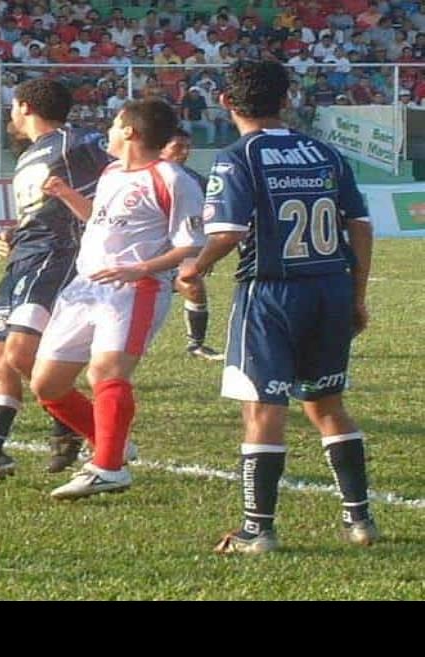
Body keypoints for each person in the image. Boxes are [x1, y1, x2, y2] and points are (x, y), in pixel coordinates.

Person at [178, 61, 378, 554]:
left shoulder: (236, 156)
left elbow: (228, 232)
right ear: (286, 100)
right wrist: (357, 294)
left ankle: (257, 529)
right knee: (327, 405)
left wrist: (195, 268)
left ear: (226, 102)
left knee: (263, 408)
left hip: (271, 293)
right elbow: (361, 225)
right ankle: (360, 521)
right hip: (330, 287)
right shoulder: (325, 152)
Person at [30, 99, 206, 500]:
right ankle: (113, 443)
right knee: (47, 384)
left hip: (134, 289)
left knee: (106, 371)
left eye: (113, 124)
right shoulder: (111, 173)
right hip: (85, 286)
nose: (107, 131)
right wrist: (65, 194)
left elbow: (192, 244)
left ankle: (108, 468)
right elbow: (99, 219)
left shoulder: (173, 179)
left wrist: (141, 269)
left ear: (130, 131)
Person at [0, 78, 111, 485]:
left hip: (57, 258)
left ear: (25, 107)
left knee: (20, 353)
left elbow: (110, 186)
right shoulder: (33, 155)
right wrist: (10, 233)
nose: (9, 115)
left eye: (12, 107)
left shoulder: (75, 143)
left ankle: (96, 435)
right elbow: (43, 210)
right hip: (25, 257)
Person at [160, 128, 223, 361]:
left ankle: (196, 345)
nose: (184, 152)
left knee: (193, 285)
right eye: (178, 147)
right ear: (161, 147)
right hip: (144, 250)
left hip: (181, 246)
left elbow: (212, 214)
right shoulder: (143, 175)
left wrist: (206, 252)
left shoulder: (194, 179)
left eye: (187, 147)